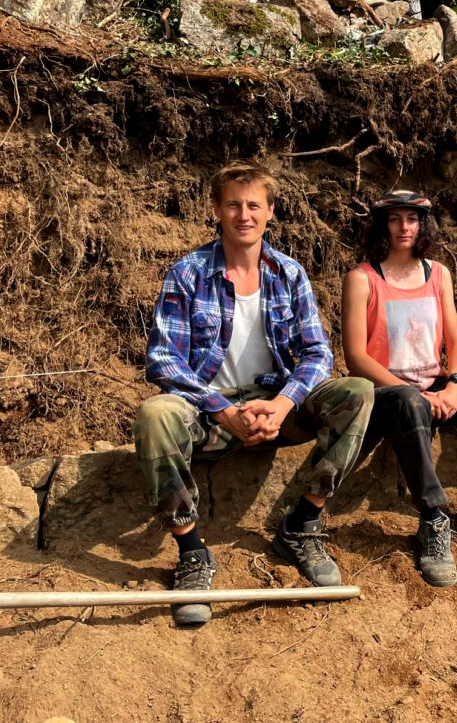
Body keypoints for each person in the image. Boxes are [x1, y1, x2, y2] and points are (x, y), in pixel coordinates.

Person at [135, 161, 374, 627]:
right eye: (233, 205)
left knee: (359, 392)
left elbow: (317, 352)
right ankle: (192, 553)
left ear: (270, 211)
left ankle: (301, 524)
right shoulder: (187, 274)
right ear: (216, 210)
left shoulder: (289, 274)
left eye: (253, 206)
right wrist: (224, 411)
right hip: (211, 414)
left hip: (276, 408)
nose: (243, 215)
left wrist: (284, 404)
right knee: (155, 413)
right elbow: (164, 360)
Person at [341, 190, 457, 588]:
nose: (404, 227)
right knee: (409, 400)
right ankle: (433, 519)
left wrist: (454, 385)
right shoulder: (362, 279)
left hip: (435, 385)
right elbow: (355, 357)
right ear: (382, 225)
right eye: (394, 219)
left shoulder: (438, 273)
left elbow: (455, 339)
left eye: (412, 219)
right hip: (387, 394)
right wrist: (417, 395)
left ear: (423, 225)